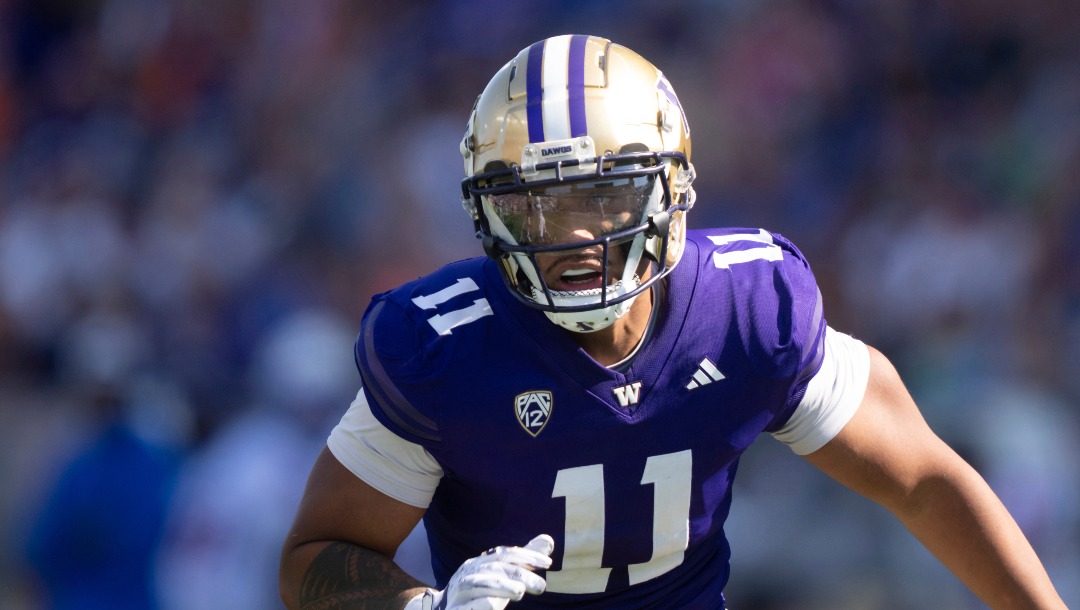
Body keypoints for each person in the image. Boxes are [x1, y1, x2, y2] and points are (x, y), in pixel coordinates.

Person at [279, 35, 1066, 609]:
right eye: (536, 204)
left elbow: (925, 481)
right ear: (488, 215)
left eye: (604, 195)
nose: (576, 235)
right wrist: (427, 609)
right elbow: (316, 557)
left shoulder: (748, 307)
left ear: (672, 189)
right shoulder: (442, 348)